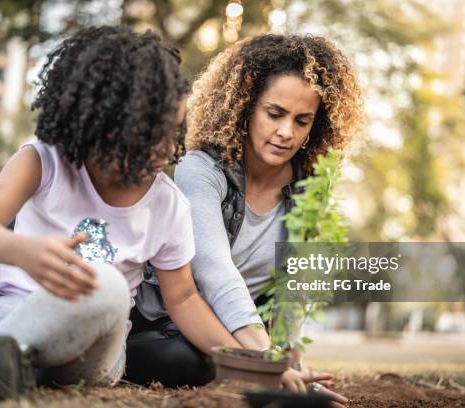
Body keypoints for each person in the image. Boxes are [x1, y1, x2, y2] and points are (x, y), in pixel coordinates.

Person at [0, 25, 241, 399]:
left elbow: (183, 299)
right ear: (104, 122)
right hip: (3, 317)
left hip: (89, 349)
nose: (168, 150)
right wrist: (22, 251)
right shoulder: (44, 159)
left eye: (175, 131)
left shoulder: (167, 203)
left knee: (108, 285)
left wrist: (247, 359)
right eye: (153, 133)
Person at [131, 33, 362, 405]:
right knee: (186, 361)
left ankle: (253, 374)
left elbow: (292, 293)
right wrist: (268, 363)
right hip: (168, 326)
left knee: (210, 364)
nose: (286, 132)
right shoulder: (201, 169)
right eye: (275, 114)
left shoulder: (309, 187)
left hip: (244, 339)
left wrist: (292, 368)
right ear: (245, 106)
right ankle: (248, 372)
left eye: (302, 121)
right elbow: (214, 270)